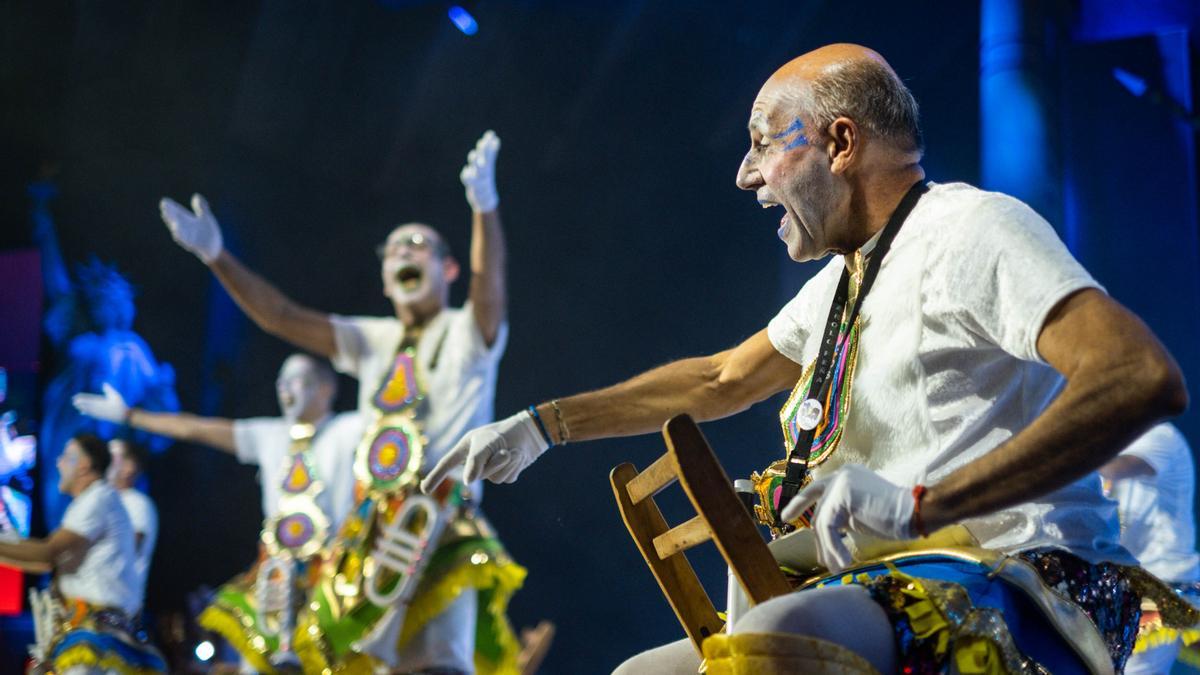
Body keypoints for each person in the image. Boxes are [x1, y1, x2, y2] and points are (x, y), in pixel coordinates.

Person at [425, 45, 1191, 673]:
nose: (746, 174)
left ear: (840, 142)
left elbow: (1138, 376)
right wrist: (541, 423)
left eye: (763, 141)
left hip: (1022, 575)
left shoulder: (972, 229)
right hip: (883, 579)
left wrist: (925, 504)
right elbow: (721, 379)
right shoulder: (843, 278)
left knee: (774, 638)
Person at [157, 131, 525, 674]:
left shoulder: (467, 333)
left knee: (439, 665)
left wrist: (484, 210)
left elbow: (488, 290)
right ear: (383, 280)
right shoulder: (370, 338)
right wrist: (217, 257)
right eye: (395, 249)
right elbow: (280, 317)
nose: (404, 253)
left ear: (448, 270)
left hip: (440, 523)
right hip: (370, 537)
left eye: (418, 246)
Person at [74, 353, 360, 672]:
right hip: (276, 580)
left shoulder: (348, 430)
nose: (285, 390)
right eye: (281, 382)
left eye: (296, 380)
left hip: (330, 579)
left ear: (325, 389)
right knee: (258, 663)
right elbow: (196, 428)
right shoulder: (269, 435)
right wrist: (130, 415)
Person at [29, 180, 179, 529]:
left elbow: (157, 410)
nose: (103, 307)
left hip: (113, 450)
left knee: (109, 528)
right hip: (71, 440)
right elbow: (56, 282)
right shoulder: (80, 339)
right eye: (96, 300)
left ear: (123, 305)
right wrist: (43, 223)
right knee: (64, 517)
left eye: (110, 300)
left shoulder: (131, 348)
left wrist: (161, 391)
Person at [0, 433, 164, 673]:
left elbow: (47, 553)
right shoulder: (93, 500)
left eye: (67, 456)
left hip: (96, 635)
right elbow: (48, 563)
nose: (58, 463)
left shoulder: (101, 498)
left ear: (84, 465)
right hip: (91, 632)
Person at [1102, 423, 1200, 674]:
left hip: (1162, 593)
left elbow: (1114, 468)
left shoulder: (1159, 435)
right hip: (1119, 589)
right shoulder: (1104, 442)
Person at [106, 438, 158, 602]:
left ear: (130, 466)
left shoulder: (137, 503)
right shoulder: (105, 501)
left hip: (118, 605)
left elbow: (127, 548)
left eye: (113, 456)